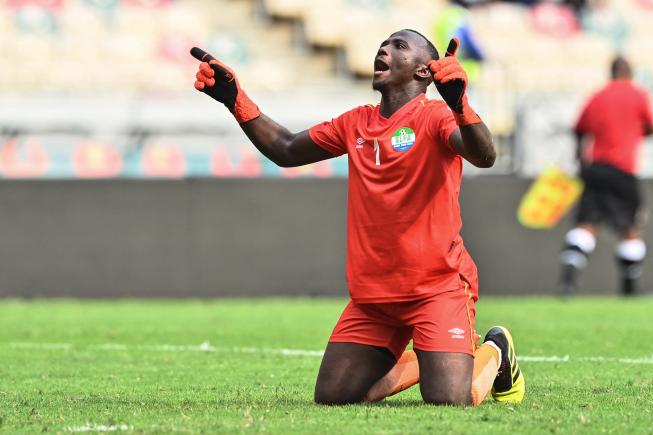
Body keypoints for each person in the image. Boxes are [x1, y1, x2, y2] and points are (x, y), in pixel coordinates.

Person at [190, 29, 525, 406]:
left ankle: (494, 351)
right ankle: (431, 360)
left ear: (424, 72)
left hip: (437, 287)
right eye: (383, 44)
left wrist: (460, 105)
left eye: (399, 46)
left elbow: (484, 155)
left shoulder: (436, 117)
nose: (383, 49)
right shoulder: (355, 123)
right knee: (334, 397)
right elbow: (285, 149)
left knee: (449, 400)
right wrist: (234, 99)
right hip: (374, 296)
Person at [558, 56, 653, 297]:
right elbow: (652, 128)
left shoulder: (597, 96)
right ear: (630, 73)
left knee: (586, 226)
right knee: (631, 228)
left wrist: (579, 161)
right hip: (623, 170)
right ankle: (630, 289)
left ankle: (568, 282)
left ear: (611, 73)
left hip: (595, 169)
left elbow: (579, 129)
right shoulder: (638, 94)